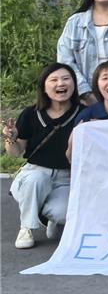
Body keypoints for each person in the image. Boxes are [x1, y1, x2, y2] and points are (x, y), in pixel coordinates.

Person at [7, 63, 80, 249]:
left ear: (74, 84)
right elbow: (15, 153)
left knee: (63, 213)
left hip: (66, 178)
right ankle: (26, 227)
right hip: (34, 174)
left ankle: (47, 216)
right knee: (37, 179)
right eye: (54, 80)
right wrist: (11, 139)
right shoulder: (30, 114)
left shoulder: (83, 113)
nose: (60, 83)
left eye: (66, 79)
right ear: (44, 87)